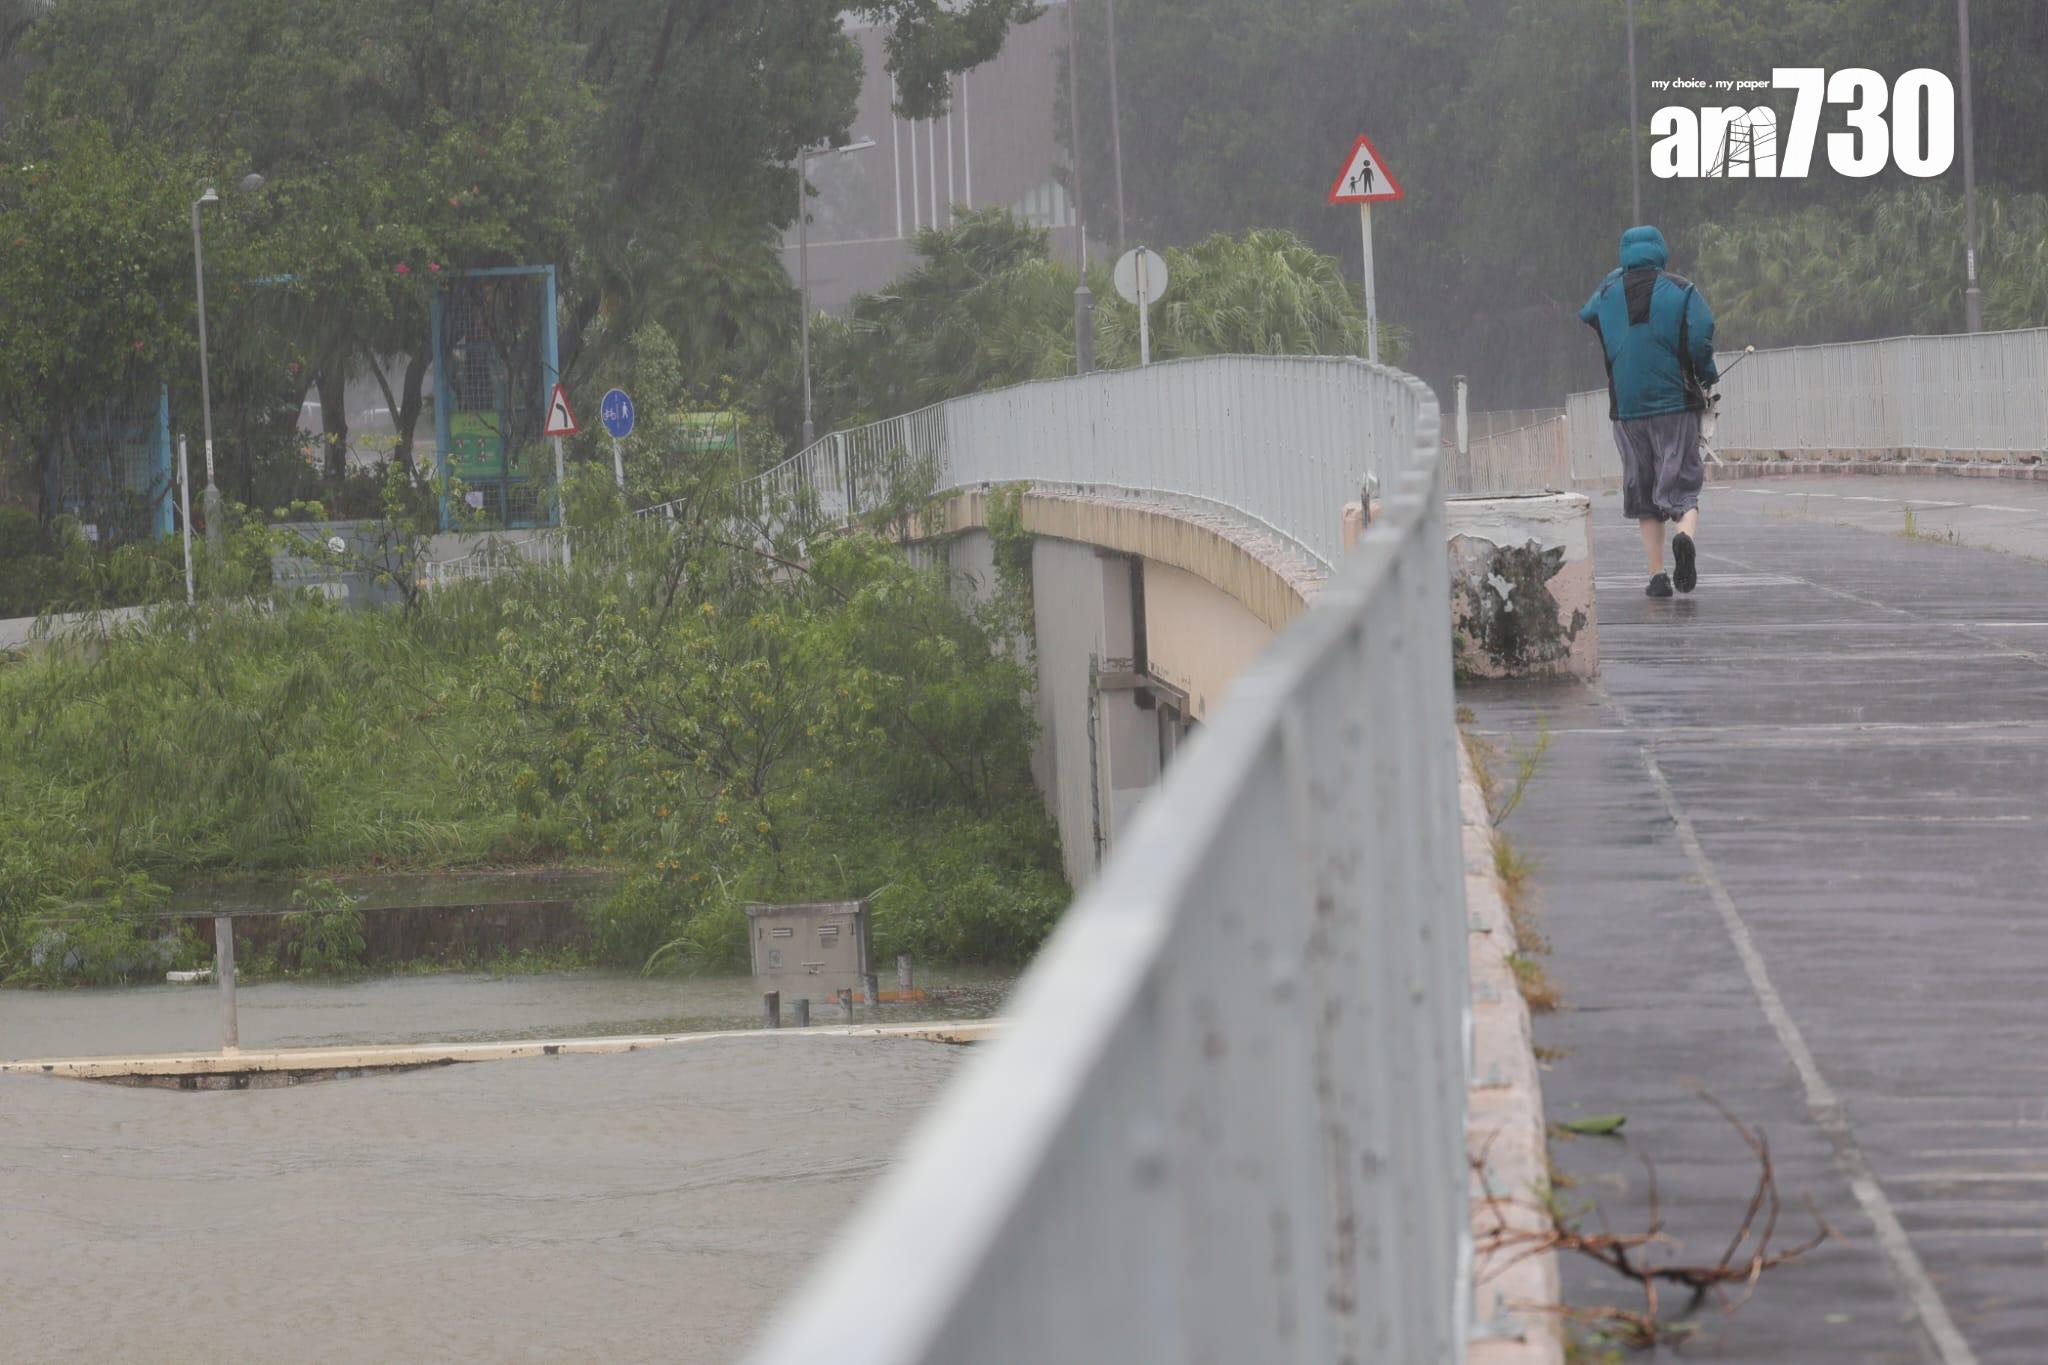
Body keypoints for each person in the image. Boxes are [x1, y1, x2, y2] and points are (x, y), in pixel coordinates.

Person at [1579, 225, 1718, 597]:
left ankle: (1657, 576)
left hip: (1627, 410)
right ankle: (1684, 537)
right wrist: (1706, 374)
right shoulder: (1681, 290)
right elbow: (1701, 332)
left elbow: (1586, 311)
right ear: (1661, 252)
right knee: (1681, 484)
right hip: (1674, 402)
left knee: (1643, 491)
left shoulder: (1608, 293)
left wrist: (1614, 275)